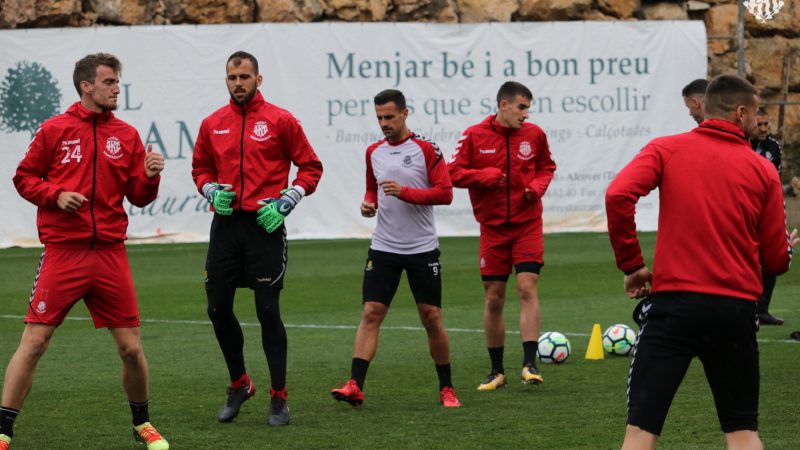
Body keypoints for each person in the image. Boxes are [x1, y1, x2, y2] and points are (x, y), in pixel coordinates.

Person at [606, 74, 798, 450]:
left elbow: (618, 195)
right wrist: (787, 249)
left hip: (676, 307)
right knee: (743, 431)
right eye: (756, 113)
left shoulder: (666, 149)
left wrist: (633, 266)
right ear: (740, 112)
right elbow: (776, 260)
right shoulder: (763, 170)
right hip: (736, 313)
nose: (758, 122)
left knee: (641, 431)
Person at [2, 53, 169, 450]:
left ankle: (142, 424)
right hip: (64, 253)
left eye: (117, 82)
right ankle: (3, 429)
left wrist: (149, 177)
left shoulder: (127, 135)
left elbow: (139, 197)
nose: (116, 89)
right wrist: (55, 195)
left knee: (130, 348)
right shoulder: (54, 130)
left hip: (110, 253)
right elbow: (24, 178)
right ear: (86, 86)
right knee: (35, 341)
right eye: (109, 82)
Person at [191, 51, 323, 427]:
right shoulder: (212, 123)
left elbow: (311, 167)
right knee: (217, 308)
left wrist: (288, 199)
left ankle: (279, 397)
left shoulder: (281, 120)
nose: (238, 83)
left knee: (267, 312)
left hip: (265, 227)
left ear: (258, 80)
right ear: (226, 79)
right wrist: (209, 190)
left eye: (245, 77)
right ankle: (239, 384)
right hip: (226, 227)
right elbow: (200, 168)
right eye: (232, 77)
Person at [330, 89, 461, 408]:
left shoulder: (426, 149)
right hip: (384, 246)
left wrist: (406, 193)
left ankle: (446, 388)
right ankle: (355, 385)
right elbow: (372, 189)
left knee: (431, 317)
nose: (384, 123)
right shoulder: (373, 151)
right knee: (371, 312)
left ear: (405, 113)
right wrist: (369, 204)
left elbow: (445, 194)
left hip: (422, 249)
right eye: (379, 118)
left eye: (389, 117)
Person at [448, 81, 556, 391]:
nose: (526, 114)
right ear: (503, 105)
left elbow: (546, 168)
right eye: (521, 107)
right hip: (492, 229)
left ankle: (529, 363)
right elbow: (452, 173)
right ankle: (497, 371)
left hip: (527, 224)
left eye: (528, 109)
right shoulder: (473, 135)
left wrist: (535, 189)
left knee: (527, 287)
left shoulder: (534, 135)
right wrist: (486, 176)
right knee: (494, 298)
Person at [751, 108, 784, 326]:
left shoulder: (774, 147)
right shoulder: (741, 144)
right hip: (747, 210)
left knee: (772, 258)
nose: (763, 129)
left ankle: (762, 310)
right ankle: (747, 309)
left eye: (766, 124)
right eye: (759, 124)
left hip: (767, 210)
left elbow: (777, 181)